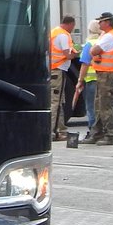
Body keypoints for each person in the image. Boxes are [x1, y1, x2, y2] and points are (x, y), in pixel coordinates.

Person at [87, 12, 113, 146]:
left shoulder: (109, 36)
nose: (99, 24)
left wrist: (93, 52)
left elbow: (94, 50)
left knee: (106, 106)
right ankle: (97, 133)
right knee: (99, 105)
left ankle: (111, 135)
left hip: (108, 74)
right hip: (103, 74)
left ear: (107, 22)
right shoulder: (105, 35)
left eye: (100, 21)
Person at [48, 15, 77, 143]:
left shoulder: (53, 32)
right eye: (73, 26)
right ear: (70, 24)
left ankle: (61, 129)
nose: (72, 29)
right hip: (58, 69)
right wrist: (76, 54)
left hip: (52, 69)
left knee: (58, 100)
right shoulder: (64, 35)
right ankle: (53, 132)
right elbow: (67, 54)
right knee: (56, 101)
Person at [72, 19, 102, 139]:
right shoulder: (103, 42)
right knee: (102, 106)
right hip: (103, 78)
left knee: (91, 107)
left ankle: (93, 130)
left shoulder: (89, 44)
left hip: (91, 80)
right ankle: (103, 130)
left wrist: (80, 80)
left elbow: (85, 64)